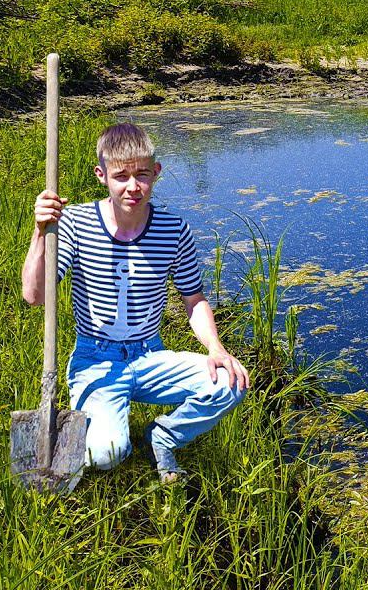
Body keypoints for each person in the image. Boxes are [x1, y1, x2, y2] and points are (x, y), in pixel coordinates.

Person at [21, 122, 249, 482]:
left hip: (150, 355)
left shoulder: (173, 230)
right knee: (108, 453)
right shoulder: (76, 223)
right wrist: (41, 231)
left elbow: (194, 300)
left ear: (156, 172)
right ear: (102, 176)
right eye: (121, 176)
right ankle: (101, 423)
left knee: (231, 382)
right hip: (95, 359)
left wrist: (216, 348)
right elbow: (34, 297)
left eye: (142, 174)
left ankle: (163, 436)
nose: (133, 186)